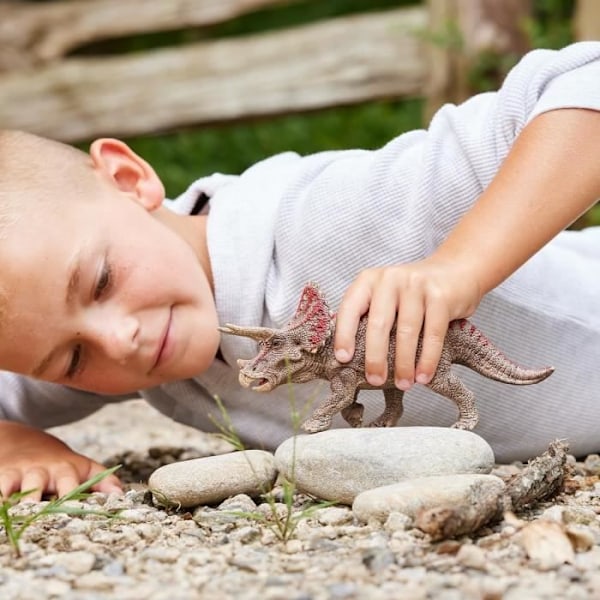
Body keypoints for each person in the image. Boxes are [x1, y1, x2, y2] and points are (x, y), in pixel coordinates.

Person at [0, 42, 598, 501]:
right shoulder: (104, 333)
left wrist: (459, 266)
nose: (116, 341)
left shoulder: (328, 215)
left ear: (130, 180)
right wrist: (10, 442)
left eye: (102, 281)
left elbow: (582, 80)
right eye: (73, 360)